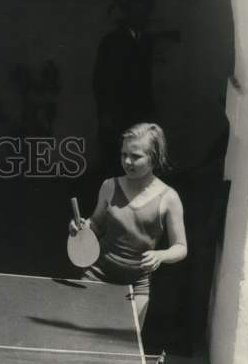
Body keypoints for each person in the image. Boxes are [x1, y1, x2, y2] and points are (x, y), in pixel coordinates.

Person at [69, 122, 188, 322]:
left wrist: (161, 255)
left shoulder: (169, 198)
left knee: (127, 342)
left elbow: (181, 247)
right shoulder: (109, 186)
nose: (127, 161)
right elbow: (96, 224)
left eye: (135, 156)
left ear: (154, 157)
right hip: (96, 275)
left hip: (135, 286)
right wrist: (81, 227)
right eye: (124, 154)